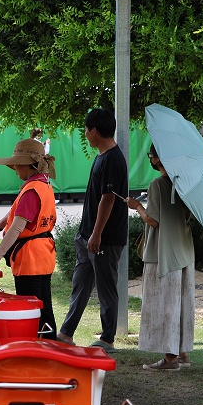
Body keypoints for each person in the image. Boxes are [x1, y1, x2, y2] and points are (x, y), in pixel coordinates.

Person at [56, 107, 129, 352]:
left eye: (86, 130)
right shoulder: (102, 156)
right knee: (81, 284)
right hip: (88, 236)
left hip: (104, 239)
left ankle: (108, 339)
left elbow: (108, 199)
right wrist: (87, 233)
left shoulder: (112, 159)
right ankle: (66, 333)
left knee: (106, 288)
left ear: (94, 130)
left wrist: (97, 234)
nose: (85, 134)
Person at [126, 144, 194, 370]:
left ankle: (170, 359)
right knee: (181, 303)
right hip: (183, 250)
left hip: (162, 252)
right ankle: (182, 352)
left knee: (165, 304)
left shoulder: (157, 184)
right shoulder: (185, 183)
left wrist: (136, 206)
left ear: (158, 159)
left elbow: (153, 220)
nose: (151, 159)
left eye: (152, 155)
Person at [0, 138, 58, 340]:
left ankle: (38, 353)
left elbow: (17, 226)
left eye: (16, 164)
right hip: (44, 254)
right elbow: (17, 211)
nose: (14, 168)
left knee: (31, 312)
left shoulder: (31, 189)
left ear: (27, 165)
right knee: (45, 311)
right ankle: (51, 350)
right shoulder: (42, 184)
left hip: (29, 259)